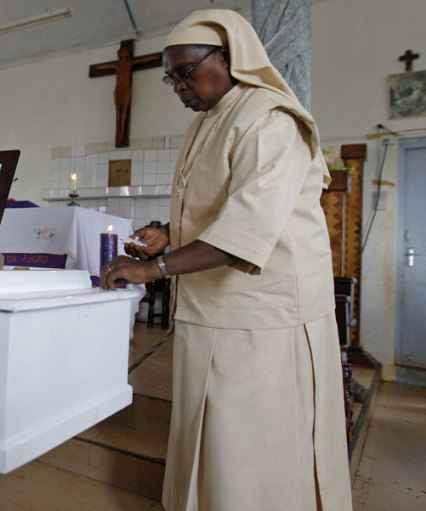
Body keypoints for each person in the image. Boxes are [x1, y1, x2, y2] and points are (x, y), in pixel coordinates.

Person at [101, 10, 352, 511]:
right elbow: (218, 210)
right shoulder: (207, 123)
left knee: (253, 451)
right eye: (171, 78)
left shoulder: (271, 121)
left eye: (186, 72)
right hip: (214, 312)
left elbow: (246, 232)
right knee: (210, 440)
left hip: (265, 317)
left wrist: (154, 269)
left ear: (228, 57)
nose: (178, 88)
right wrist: (169, 233)